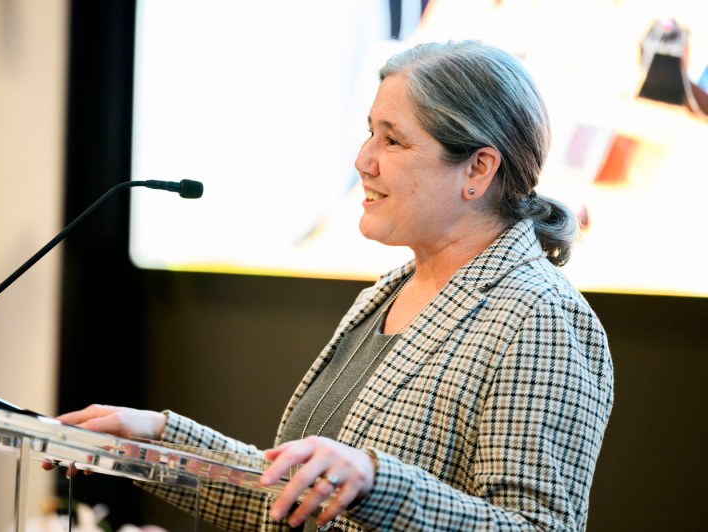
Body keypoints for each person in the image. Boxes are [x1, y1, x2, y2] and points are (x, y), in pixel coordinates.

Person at [54, 40, 614, 531]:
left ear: (477, 169)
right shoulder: (388, 292)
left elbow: (536, 528)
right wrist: (153, 438)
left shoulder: (539, 316)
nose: (363, 161)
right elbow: (291, 502)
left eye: (392, 141)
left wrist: (374, 481)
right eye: (371, 132)